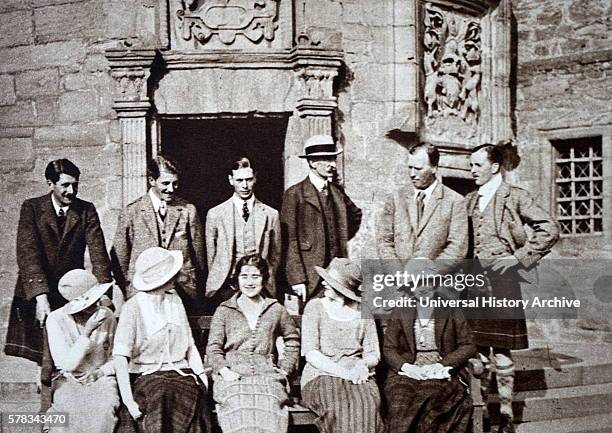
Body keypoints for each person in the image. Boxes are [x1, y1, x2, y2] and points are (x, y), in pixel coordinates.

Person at [466, 144, 560, 433]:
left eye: (477, 165)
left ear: (494, 167)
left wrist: (519, 258)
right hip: (473, 283)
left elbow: (550, 228)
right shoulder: (469, 200)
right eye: (471, 165)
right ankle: (480, 416)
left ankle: (505, 416)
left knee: (503, 351)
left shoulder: (516, 196)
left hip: (504, 281)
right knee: (477, 352)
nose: (472, 171)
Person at [5, 159, 112, 365]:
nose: (71, 191)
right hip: (39, 288)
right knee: (43, 357)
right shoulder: (32, 208)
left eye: (75, 184)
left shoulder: (86, 210)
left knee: (71, 350)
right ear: (50, 183)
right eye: (65, 185)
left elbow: (99, 255)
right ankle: (45, 388)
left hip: (71, 291)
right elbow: (28, 254)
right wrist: (40, 297)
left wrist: (103, 295)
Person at [113, 247, 210, 433]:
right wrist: (128, 401)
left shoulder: (175, 301)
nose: (177, 276)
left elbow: (190, 346)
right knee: (161, 390)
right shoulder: (132, 308)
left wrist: (202, 378)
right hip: (145, 375)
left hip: (180, 372)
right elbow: (120, 357)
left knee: (194, 393)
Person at [206, 254, 300, 433]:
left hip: (267, 375)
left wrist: (285, 369)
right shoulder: (224, 309)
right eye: (244, 276)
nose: (249, 282)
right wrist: (225, 371)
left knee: (269, 405)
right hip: (232, 376)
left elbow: (292, 340)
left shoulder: (276, 309)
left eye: (255, 277)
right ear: (237, 279)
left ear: (264, 279)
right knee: (238, 405)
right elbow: (214, 347)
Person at [111, 155, 205, 315]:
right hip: (143, 292)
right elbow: (120, 259)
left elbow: (199, 258)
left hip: (182, 292)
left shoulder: (188, 210)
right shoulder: (131, 212)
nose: (171, 189)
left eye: (175, 183)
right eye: (165, 183)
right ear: (152, 180)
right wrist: (131, 285)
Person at [300, 258, 384, 433]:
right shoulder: (315, 307)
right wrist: (346, 374)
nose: (323, 283)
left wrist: (362, 365)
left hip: (357, 375)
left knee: (367, 407)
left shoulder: (363, 311)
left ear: (344, 288)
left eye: (330, 282)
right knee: (337, 409)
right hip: (321, 375)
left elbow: (373, 354)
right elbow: (312, 354)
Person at [383, 281, 476, 433]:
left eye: (428, 283)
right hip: (410, 369)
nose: (423, 289)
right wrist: (407, 367)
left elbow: (468, 345)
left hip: (440, 370)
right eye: (418, 284)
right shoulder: (402, 309)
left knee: (429, 396)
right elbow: (389, 348)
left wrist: (442, 365)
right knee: (399, 400)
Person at [281, 135, 362, 301]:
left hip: (336, 273)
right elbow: (289, 240)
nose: (332, 164)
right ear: (312, 163)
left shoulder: (336, 192)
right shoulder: (295, 194)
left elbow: (356, 215)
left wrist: (340, 236)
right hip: (310, 275)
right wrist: (297, 279)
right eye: (326, 159)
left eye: (333, 159)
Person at [45, 269, 119, 433]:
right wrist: (87, 334)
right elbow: (67, 364)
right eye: (92, 303)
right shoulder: (56, 319)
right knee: (70, 415)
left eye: (97, 300)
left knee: (104, 410)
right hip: (68, 379)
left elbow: (117, 357)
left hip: (101, 378)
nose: (97, 305)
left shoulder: (107, 316)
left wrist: (100, 373)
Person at [377, 142, 468, 274]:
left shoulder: (455, 201)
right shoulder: (396, 198)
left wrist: (428, 273)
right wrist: (397, 273)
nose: (412, 174)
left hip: (437, 285)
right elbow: (384, 240)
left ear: (434, 168)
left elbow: (457, 247)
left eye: (418, 168)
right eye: (410, 167)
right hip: (399, 283)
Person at [205, 157, 282, 309]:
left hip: (261, 287)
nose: (245, 185)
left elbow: (276, 254)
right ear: (230, 180)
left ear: (255, 179)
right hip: (226, 287)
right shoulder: (216, 214)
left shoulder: (270, 214)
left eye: (249, 179)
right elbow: (211, 257)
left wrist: (264, 279)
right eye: (239, 180)